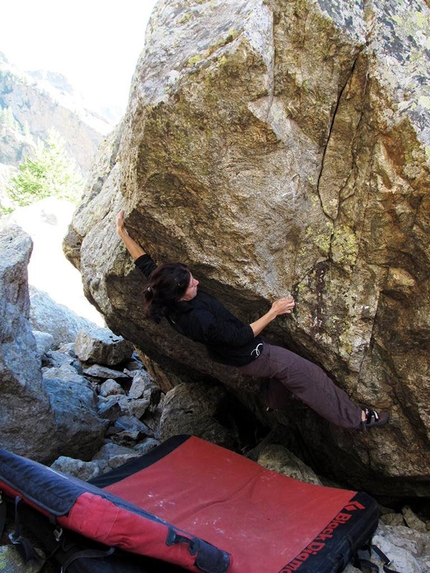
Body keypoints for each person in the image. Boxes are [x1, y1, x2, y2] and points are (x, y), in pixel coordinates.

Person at [116, 210, 389, 431]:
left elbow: (146, 266)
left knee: (284, 373)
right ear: (179, 295)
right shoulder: (197, 320)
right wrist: (274, 310)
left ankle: (273, 400)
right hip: (254, 355)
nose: (197, 281)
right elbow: (241, 337)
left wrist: (123, 233)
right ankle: (358, 419)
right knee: (309, 375)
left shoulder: (166, 295)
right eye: (191, 283)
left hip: (233, 355)